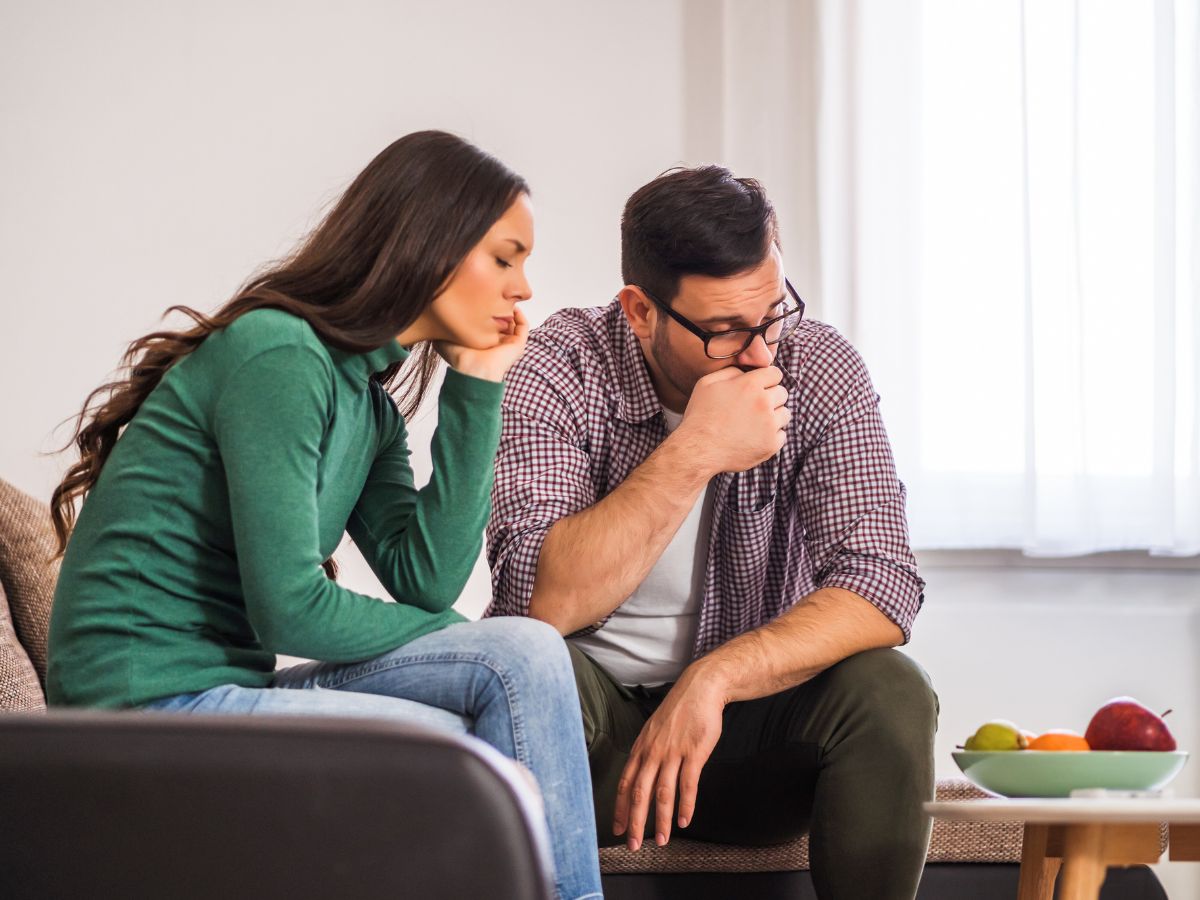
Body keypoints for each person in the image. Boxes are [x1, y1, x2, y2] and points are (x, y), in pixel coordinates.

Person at [46, 130, 603, 900]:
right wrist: (464, 637)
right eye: (505, 257)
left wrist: (476, 389)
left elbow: (427, 579)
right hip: (144, 709)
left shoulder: (368, 408)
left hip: (227, 689)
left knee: (495, 705)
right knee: (509, 680)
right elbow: (287, 607)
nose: (524, 290)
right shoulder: (279, 354)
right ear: (431, 242)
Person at [486, 165, 939, 898]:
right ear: (640, 311)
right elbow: (543, 604)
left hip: (740, 737)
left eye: (772, 312)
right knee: (529, 666)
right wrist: (695, 449)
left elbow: (881, 584)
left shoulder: (816, 365)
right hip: (586, 747)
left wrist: (714, 679)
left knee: (889, 690)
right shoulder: (562, 363)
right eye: (724, 332)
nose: (761, 352)